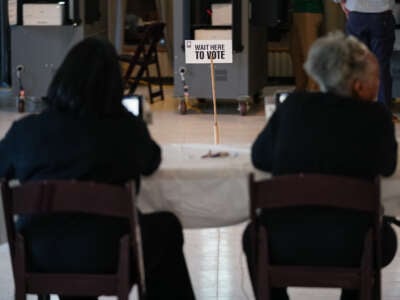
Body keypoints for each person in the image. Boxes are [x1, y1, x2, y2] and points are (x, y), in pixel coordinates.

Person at [0, 37, 195, 300]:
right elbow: (152, 161)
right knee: (165, 228)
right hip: (108, 254)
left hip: (41, 254)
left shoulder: (26, 132)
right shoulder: (125, 130)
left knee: (66, 231)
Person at [243, 32, 398, 300]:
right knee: (381, 239)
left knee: (252, 237)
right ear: (358, 86)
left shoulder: (293, 106)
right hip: (352, 245)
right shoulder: (376, 118)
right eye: (377, 77)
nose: (379, 83)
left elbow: (259, 158)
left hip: (283, 242)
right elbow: (387, 166)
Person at [333, 0, 395, 109]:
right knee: (381, 66)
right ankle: (383, 112)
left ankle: (358, 110)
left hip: (356, 14)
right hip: (381, 13)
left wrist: (342, 3)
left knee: (357, 66)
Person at [289, 0, 324, 91]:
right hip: (298, 9)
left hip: (309, 9)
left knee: (309, 54)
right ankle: (301, 91)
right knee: (296, 52)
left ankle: (313, 91)